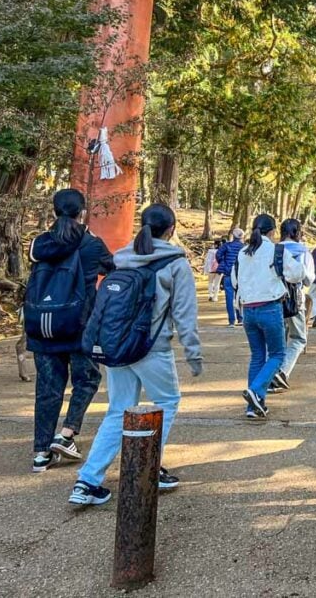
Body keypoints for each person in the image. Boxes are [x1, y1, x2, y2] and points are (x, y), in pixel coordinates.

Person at [68, 203, 203, 506]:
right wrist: (194, 355)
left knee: (118, 410)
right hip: (150, 348)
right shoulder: (174, 263)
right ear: (171, 229)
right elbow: (184, 314)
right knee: (167, 402)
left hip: (117, 345)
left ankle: (87, 482)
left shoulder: (123, 258)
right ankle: (148, 468)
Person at [27, 189, 114, 473]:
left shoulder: (39, 244)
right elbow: (112, 270)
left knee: (47, 389)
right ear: (83, 212)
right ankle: (66, 434)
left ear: (54, 212)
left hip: (43, 326)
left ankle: (41, 453)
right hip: (79, 325)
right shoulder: (91, 244)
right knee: (87, 379)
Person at [236, 214, 305, 420]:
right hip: (270, 307)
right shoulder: (276, 250)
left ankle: (254, 406)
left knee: (257, 356)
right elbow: (297, 274)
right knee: (277, 355)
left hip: (248, 310)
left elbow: (234, 280)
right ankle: (256, 390)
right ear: (273, 231)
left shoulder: (242, 252)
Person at [275, 219, 315, 388]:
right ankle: (282, 371)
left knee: (279, 339)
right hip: (294, 300)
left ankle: (273, 372)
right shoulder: (303, 252)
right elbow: (308, 280)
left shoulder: (273, 250)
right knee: (298, 338)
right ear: (296, 233)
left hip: (274, 298)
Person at [215, 228, 245, 326]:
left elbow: (218, 254)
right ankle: (240, 318)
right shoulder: (243, 247)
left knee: (229, 297)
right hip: (240, 275)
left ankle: (231, 321)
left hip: (228, 274)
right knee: (239, 297)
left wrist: (223, 263)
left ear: (233, 235)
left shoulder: (226, 246)